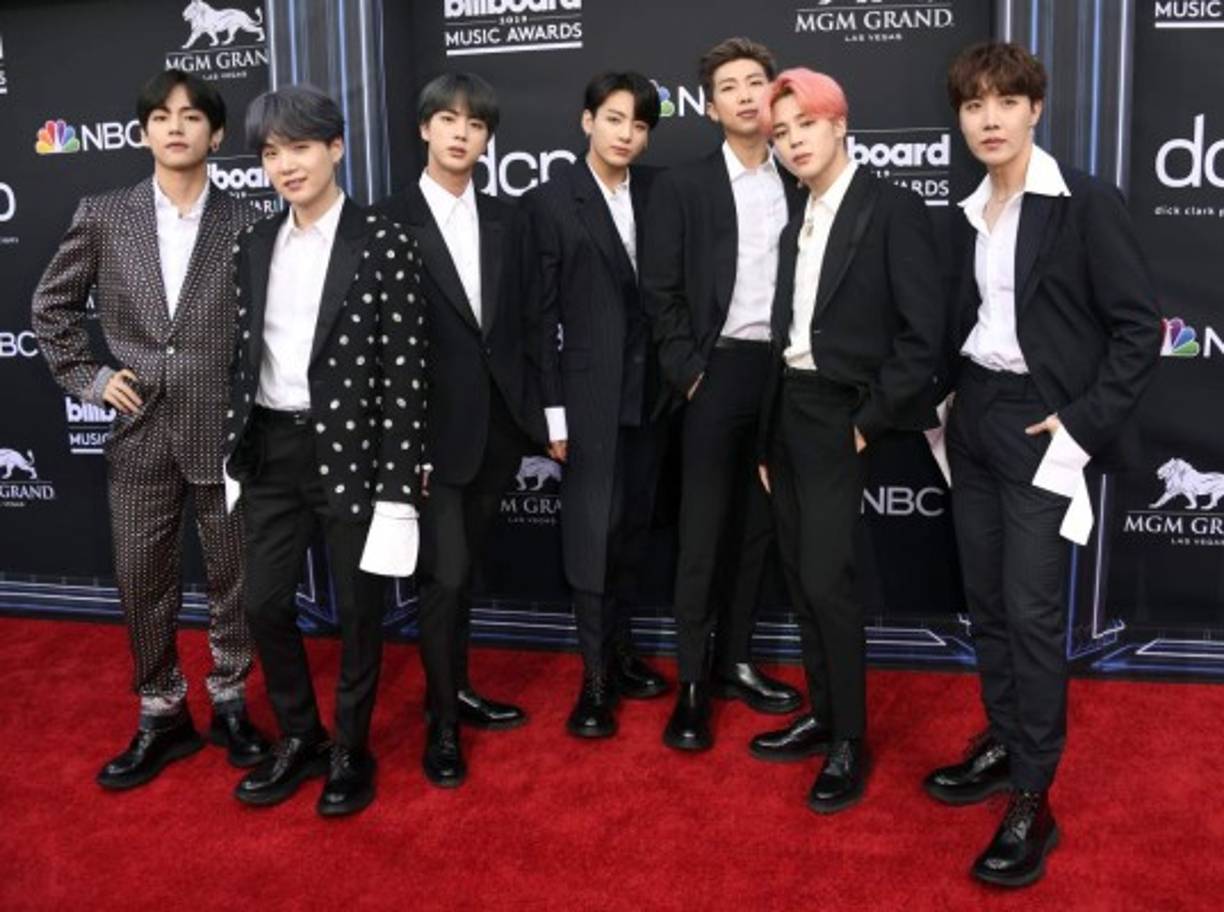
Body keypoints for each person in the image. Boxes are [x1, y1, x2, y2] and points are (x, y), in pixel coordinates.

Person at [924, 42, 1160, 886]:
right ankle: (1001, 738)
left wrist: (1082, 419)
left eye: (1004, 102)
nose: (988, 118)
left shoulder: (1085, 201)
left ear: (1035, 110)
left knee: (1029, 611)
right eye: (973, 105)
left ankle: (1034, 792)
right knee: (984, 600)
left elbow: (1141, 328)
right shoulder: (964, 212)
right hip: (976, 416)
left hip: (1041, 426)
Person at [31, 69, 269, 790]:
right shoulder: (104, 213)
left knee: (236, 576)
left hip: (225, 429)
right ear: (143, 133)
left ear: (216, 135)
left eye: (193, 116)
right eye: (162, 116)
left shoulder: (248, 224)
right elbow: (52, 307)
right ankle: (162, 710)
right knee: (142, 579)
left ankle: (230, 697)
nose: (176, 127)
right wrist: (92, 379)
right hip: (138, 433)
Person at [224, 85, 427, 817]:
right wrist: (232, 451)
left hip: (356, 455)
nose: (285, 164)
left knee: (360, 613)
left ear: (336, 148)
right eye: (272, 152)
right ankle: (301, 736)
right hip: (273, 449)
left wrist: (399, 489)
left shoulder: (385, 240)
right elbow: (243, 358)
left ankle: (350, 746)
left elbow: (407, 372)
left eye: (300, 146)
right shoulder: (253, 244)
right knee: (266, 603)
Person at [754, 68, 944, 812]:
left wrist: (866, 424)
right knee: (801, 577)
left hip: (842, 416)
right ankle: (823, 711)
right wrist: (770, 434)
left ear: (839, 124)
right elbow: (789, 333)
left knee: (830, 580)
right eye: (781, 132)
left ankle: (849, 741)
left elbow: (922, 337)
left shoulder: (892, 209)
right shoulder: (794, 218)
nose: (793, 140)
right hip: (789, 409)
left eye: (805, 124)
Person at [377, 73, 547, 786]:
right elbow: (378, 348)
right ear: (424, 129)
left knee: (463, 574)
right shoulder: (385, 220)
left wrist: (546, 421)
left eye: (475, 124)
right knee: (444, 579)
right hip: (427, 442)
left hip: (499, 431)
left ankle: (459, 688)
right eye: (447, 120)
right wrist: (400, 447)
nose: (460, 133)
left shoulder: (511, 219)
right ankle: (441, 723)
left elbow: (531, 326)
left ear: (486, 138)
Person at [641, 37, 805, 752]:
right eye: (730, 86)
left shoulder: (804, 178)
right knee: (703, 535)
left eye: (757, 82)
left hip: (788, 375)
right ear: (709, 108)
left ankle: (737, 661)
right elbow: (661, 292)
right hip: (715, 374)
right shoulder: (682, 186)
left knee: (759, 531)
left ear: (776, 96)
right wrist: (690, 372)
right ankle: (694, 685)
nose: (745, 94)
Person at [523, 71, 670, 738]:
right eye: (615, 119)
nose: (627, 135)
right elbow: (538, 318)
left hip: (652, 396)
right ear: (587, 121)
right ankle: (594, 679)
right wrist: (553, 415)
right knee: (590, 537)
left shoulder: (660, 194)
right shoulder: (551, 201)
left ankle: (622, 650)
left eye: (639, 125)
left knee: (632, 532)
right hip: (584, 400)